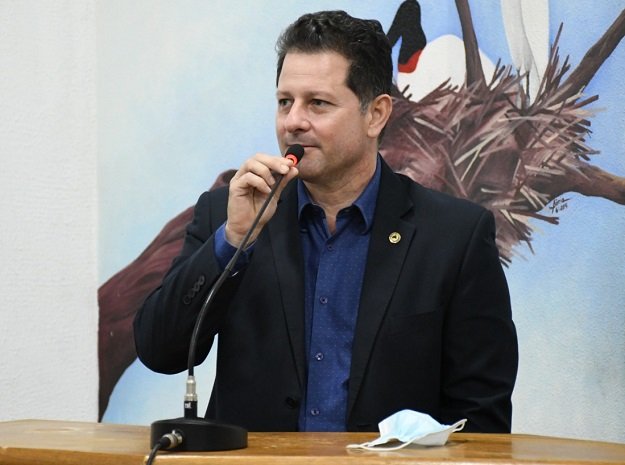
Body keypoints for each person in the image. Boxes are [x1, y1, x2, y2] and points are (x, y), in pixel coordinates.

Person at [134, 10, 518, 433]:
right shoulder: (228, 213)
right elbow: (159, 351)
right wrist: (234, 238)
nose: (293, 121)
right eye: (285, 102)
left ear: (376, 114)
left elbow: (481, 420)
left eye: (317, 103)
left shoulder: (454, 236)